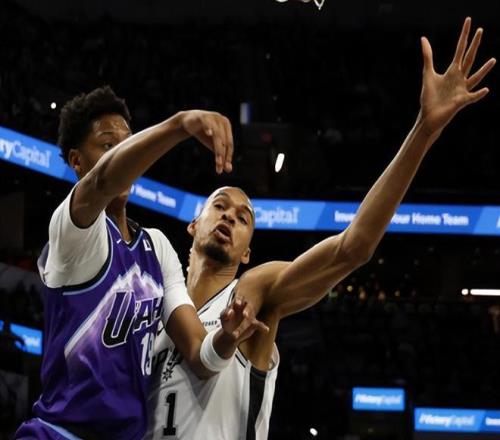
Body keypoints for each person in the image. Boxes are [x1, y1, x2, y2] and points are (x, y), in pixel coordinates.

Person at [146, 18, 496, 439]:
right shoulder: (157, 307)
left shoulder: (252, 291)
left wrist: (424, 130)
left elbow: (353, 247)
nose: (230, 217)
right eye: (220, 206)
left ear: (247, 252)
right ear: (193, 224)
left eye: (243, 218)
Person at [15, 86, 267, 440]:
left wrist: (227, 338)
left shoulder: (156, 247)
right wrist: (180, 124)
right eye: (107, 145)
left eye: (129, 144)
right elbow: (103, 180)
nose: (123, 153)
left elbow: (200, 355)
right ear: (77, 160)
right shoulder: (72, 229)